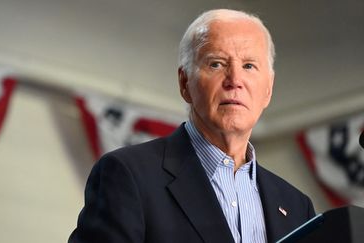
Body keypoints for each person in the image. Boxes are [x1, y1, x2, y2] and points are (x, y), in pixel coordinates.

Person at [68, 9, 315, 243]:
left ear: (268, 89)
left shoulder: (296, 206)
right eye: (217, 64)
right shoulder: (129, 175)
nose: (235, 80)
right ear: (185, 83)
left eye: (249, 66)